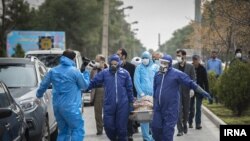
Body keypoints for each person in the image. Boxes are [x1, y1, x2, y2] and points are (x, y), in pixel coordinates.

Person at [151, 54, 211, 141]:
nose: (163, 64)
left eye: (165, 63)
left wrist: (202, 91)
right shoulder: (158, 74)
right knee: (155, 128)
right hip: (158, 108)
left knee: (167, 133)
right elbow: (155, 90)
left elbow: (190, 82)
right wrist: (154, 104)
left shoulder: (176, 74)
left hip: (170, 108)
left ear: (170, 64)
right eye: (162, 62)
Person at [36, 49, 90, 141]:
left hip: (58, 107)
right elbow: (84, 86)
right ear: (73, 59)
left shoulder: (53, 71)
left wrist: (38, 95)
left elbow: (43, 85)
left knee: (63, 132)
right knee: (77, 129)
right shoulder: (75, 71)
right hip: (71, 107)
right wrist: (85, 73)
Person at [88, 54, 134, 141]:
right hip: (109, 104)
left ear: (119, 63)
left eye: (115, 64)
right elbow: (94, 82)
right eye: (112, 63)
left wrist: (131, 103)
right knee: (108, 127)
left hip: (123, 105)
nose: (113, 65)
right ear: (109, 63)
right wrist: (84, 86)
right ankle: (114, 138)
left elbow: (129, 89)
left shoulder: (125, 73)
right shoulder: (105, 73)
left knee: (122, 129)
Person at [134, 51, 158, 141]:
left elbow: (158, 80)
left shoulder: (155, 67)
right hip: (142, 97)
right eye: (143, 58)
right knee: (144, 119)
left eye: (146, 58)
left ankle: (153, 136)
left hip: (153, 97)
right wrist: (141, 93)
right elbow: (136, 81)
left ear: (150, 58)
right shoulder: (139, 68)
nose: (144, 60)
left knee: (154, 118)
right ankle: (146, 138)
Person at [173, 49, 196, 136]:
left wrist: (192, 89)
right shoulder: (174, 66)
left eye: (179, 55)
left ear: (184, 56)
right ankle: (180, 130)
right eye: (177, 56)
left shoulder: (190, 67)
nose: (178, 57)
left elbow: (193, 78)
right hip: (177, 92)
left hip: (187, 91)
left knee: (186, 110)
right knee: (178, 110)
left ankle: (185, 123)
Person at [117, 48, 138, 141]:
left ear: (123, 56)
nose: (117, 56)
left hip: (129, 95)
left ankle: (130, 134)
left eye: (119, 55)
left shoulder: (131, 67)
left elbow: (134, 81)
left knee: (129, 115)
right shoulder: (115, 67)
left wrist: (134, 95)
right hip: (118, 95)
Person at [188, 55, 209, 130]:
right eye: (194, 60)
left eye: (197, 60)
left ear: (199, 60)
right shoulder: (190, 67)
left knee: (198, 107)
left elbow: (206, 81)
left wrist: (206, 91)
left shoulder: (202, 68)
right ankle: (190, 122)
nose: (196, 61)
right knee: (191, 107)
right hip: (191, 90)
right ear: (193, 60)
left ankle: (198, 123)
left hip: (200, 90)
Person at [90, 54, 107, 136]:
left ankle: (108, 127)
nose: (96, 62)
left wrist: (102, 68)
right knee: (98, 112)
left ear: (102, 61)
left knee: (107, 111)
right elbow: (91, 79)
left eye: (98, 60)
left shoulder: (107, 68)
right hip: (97, 90)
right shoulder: (94, 69)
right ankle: (99, 129)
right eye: (95, 60)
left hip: (106, 90)